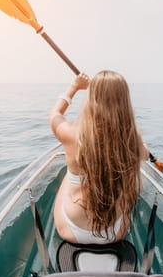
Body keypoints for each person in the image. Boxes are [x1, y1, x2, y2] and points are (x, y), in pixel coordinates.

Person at [49, 70, 149, 244]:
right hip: (115, 233)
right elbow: (145, 155)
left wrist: (74, 87)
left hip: (71, 230)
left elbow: (55, 115)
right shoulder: (133, 139)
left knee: (69, 177)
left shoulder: (71, 134)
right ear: (125, 101)